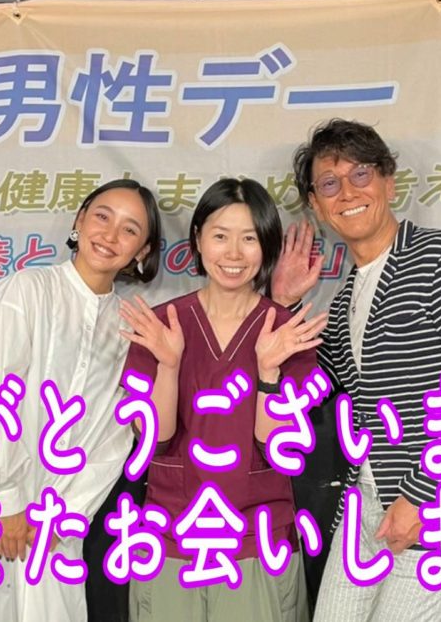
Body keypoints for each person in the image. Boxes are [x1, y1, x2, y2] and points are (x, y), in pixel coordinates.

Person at [271, 119, 441, 621]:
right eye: (329, 183)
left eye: (360, 174)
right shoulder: (345, 299)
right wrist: (284, 302)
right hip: (366, 504)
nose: (347, 193)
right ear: (315, 204)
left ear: (388, 182)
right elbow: (309, 386)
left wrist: (421, 496)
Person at [0, 179, 163, 622]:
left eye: (129, 229)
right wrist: (6, 501)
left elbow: (114, 436)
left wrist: (67, 515)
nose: (109, 235)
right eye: (102, 217)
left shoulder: (127, 328)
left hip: (52, 519)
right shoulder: (27, 290)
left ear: (142, 251)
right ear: (79, 221)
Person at [119, 177, 327, 622]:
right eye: (220, 236)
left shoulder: (287, 332)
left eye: (249, 238)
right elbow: (154, 439)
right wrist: (169, 364)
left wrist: (268, 372)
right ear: (198, 239)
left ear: (266, 245)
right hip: (170, 540)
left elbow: (277, 446)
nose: (233, 254)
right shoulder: (160, 325)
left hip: (256, 541)